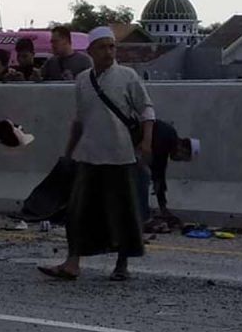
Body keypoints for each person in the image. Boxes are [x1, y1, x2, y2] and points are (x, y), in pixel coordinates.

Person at [38, 26, 155, 282]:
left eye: (112, 46)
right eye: (102, 47)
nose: (108, 52)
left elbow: (146, 110)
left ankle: (121, 265)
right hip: (89, 156)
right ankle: (72, 263)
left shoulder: (128, 76)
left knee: (122, 212)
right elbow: (79, 121)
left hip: (121, 156)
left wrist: (146, 142)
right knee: (78, 211)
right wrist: (69, 153)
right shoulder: (82, 80)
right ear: (90, 50)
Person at [138, 121, 200, 224]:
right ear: (183, 149)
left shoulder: (170, 137)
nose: (177, 160)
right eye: (181, 158)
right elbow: (158, 174)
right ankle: (143, 217)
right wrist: (163, 208)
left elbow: (158, 174)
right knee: (142, 176)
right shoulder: (167, 140)